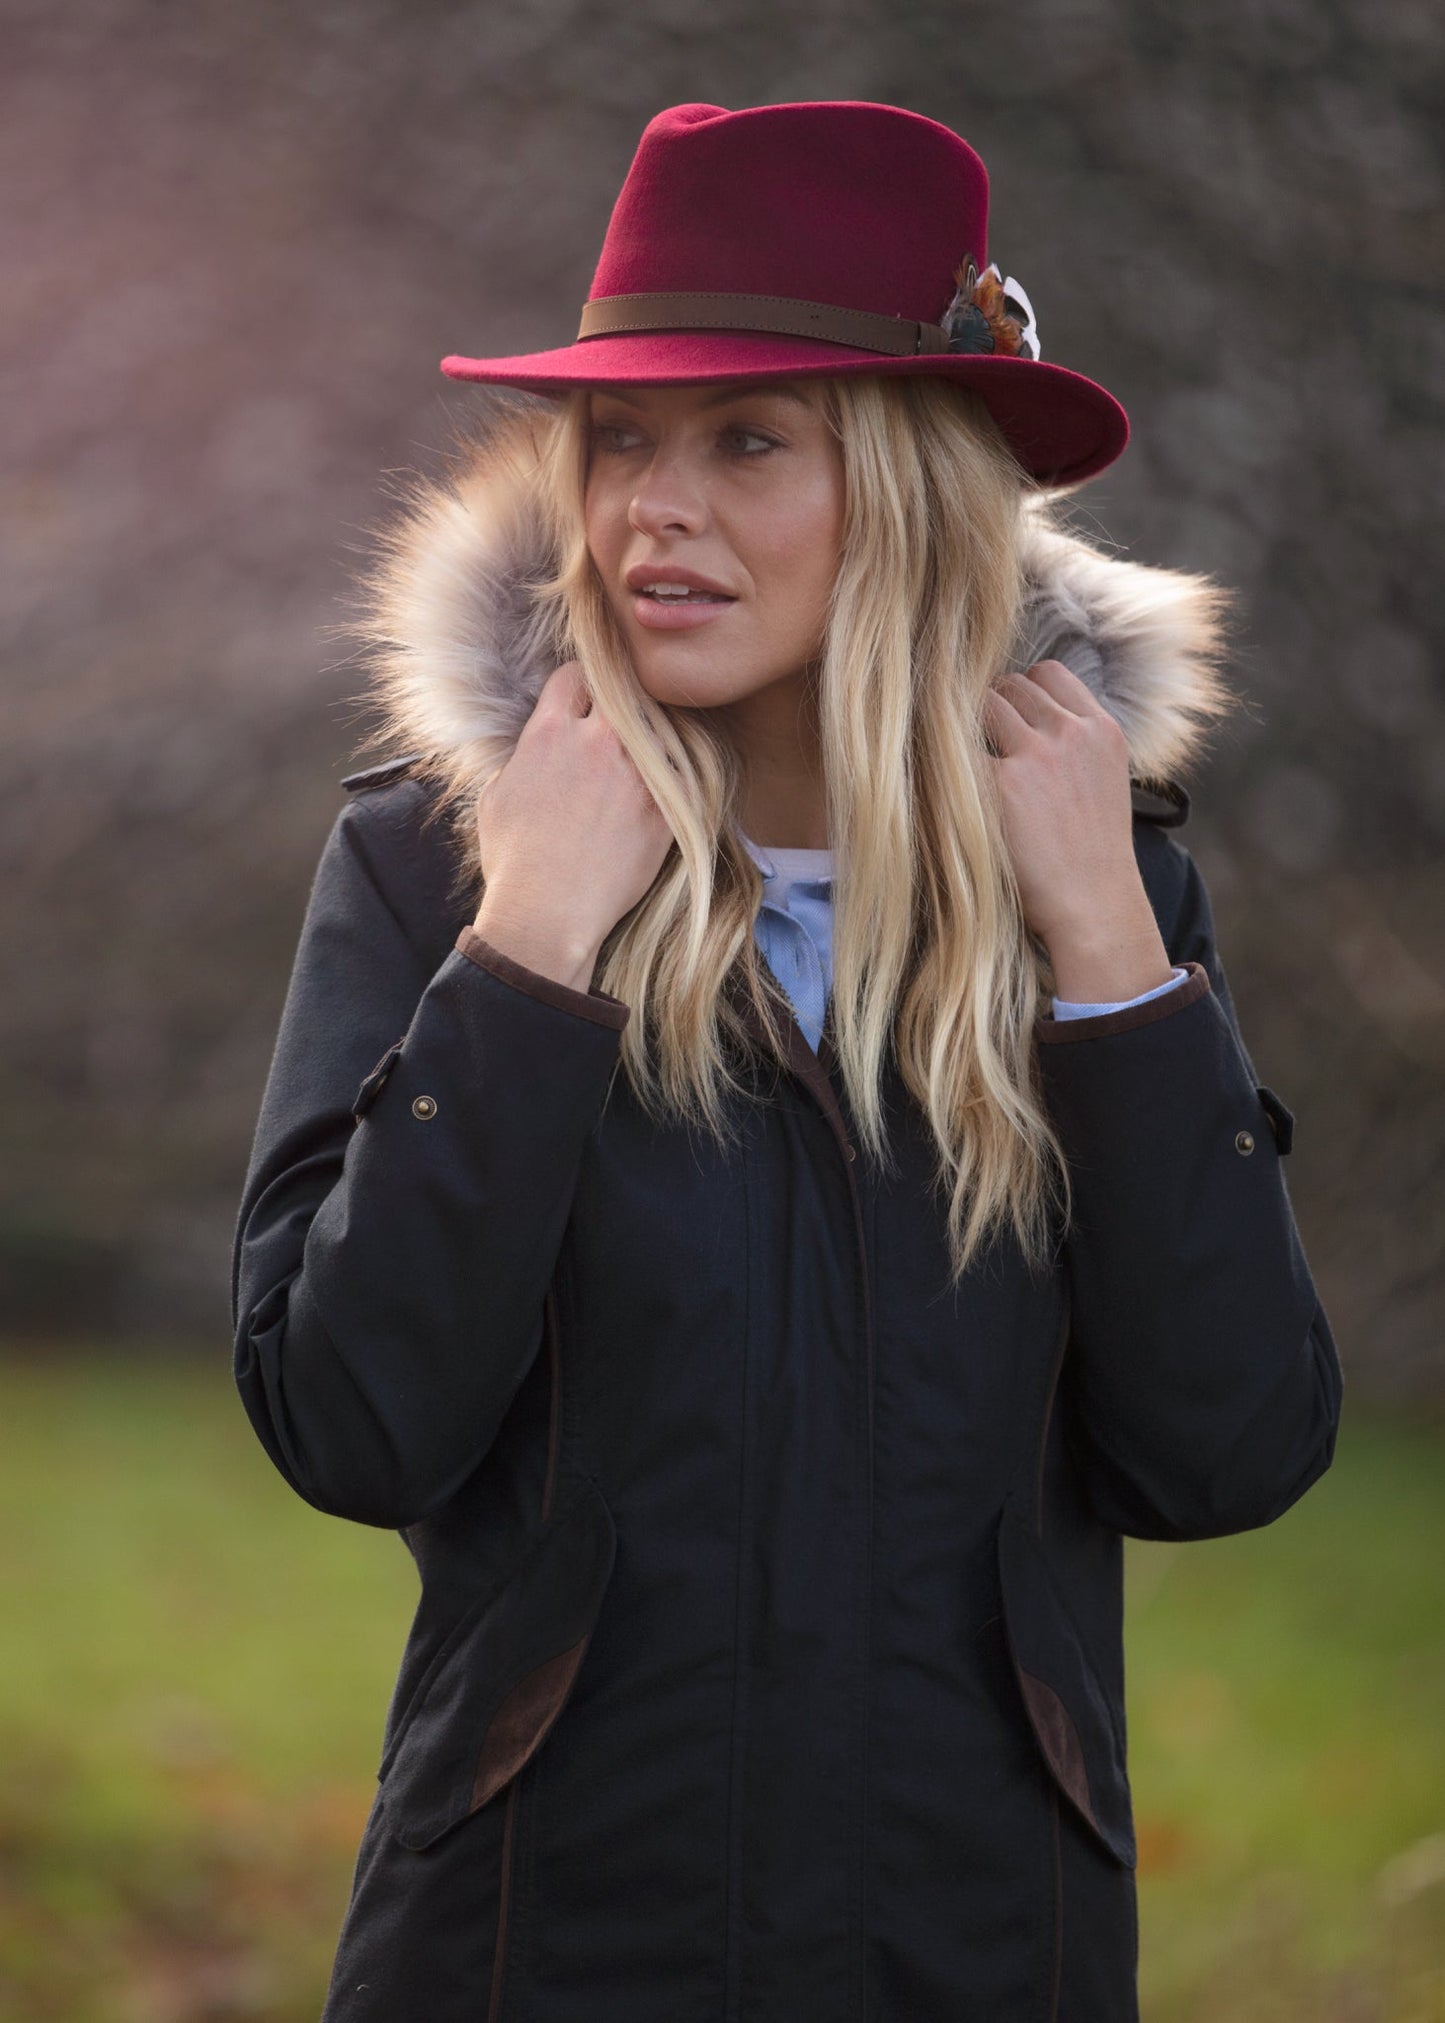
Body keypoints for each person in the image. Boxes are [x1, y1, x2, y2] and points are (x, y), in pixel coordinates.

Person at [230, 99, 1343, 2023]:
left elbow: (1227, 1451)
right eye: (621, 444)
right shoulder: (440, 863)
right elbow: (351, 1423)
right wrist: (528, 960)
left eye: (748, 443)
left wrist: (1112, 969)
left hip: (979, 1949)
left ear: (909, 487)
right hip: (534, 1950)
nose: (653, 509)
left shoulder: (1103, 879)